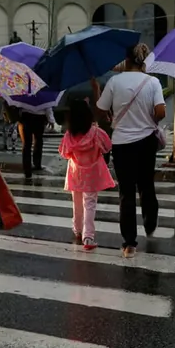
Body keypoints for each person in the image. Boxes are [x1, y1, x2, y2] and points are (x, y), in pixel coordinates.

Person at [95, 43, 166, 258]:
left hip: (122, 143)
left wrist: (109, 116)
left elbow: (100, 110)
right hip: (147, 141)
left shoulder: (114, 81)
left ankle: (129, 244)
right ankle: (150, 221)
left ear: (126, 60)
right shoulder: (152, 81)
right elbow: (161, 111)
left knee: (126, 192)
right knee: (146, 183)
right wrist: (149, 120)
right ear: (142, 60)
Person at [59, 100, 114, 250]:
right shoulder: (96, 132)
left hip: (75, 172)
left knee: (76, 202)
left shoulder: (69, 135)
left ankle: (77, 229)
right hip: (92, 173)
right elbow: (107, 147)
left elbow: (64, 153)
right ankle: (88, 236)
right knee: (89, 203)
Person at [19, 106, 55, 179]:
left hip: (26, 117)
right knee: (38, 140)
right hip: (40, 118)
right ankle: (37, 164)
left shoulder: (25, 95)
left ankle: (27, 168)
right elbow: (48, 107)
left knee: (27, 144)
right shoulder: (42, 95)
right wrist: (51, 120)